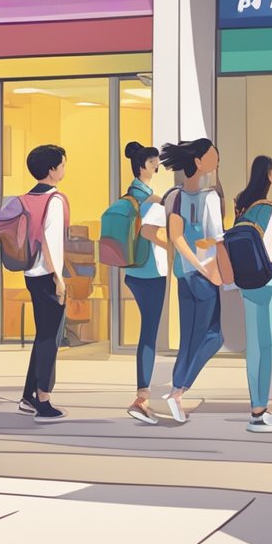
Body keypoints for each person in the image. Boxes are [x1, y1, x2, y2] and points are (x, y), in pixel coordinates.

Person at [221, 155, 272, 432]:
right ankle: (259, 411)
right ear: (271, 175)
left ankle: (257, 406)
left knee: (254, 346)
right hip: (267, 278)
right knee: (268, 345)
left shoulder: (242, 206)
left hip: (246, 282)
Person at [161, 138, 226, 423]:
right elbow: (217, 237)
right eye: (213, 155)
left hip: (183, 276)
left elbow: (176, 238)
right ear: (199, 162)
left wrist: (191, 264)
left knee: (189, 337)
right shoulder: (210, 198)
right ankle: (179, 390)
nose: (217, 159)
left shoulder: (174, 196)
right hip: (205, 275)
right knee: (213, 336)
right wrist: (206, 267)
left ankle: (177, 387)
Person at [16, 145, 70, 423]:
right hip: (48, 276)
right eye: (62, 164)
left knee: (42, 335)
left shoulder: (26, 198)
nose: (64, 168)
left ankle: (28, 396)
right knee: (50, 339)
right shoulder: (55, 200)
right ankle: (43, 400)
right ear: (51, 170)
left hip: (30, 273)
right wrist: (58, 279)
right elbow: (49, 242)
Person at [122, 142, 169, 425]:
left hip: (132, 270)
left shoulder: (129, 195)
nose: (157, 167)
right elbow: (151, 234)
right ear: (143, 167)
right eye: (154, 163)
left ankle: (143, 395)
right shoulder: (152, 199)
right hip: (151, 272)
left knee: (147, 332)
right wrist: (171, 245)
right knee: (149, 334)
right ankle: (141, 398)